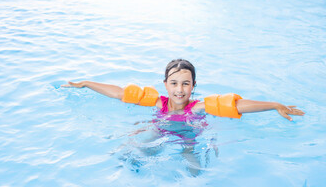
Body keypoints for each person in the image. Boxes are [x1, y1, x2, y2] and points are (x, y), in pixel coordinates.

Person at [61, 59, 305, 121]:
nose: (179, 90)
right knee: (134, 149)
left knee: (193, 167)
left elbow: (237, 106)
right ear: (165, 84)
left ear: (193, 86)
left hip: (190, 136)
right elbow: (118, 93)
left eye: (186, 84)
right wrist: (85, 83)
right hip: (161, 128)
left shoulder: (197, 107)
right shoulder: (158, 103)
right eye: (174, 83)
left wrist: (274, 105)